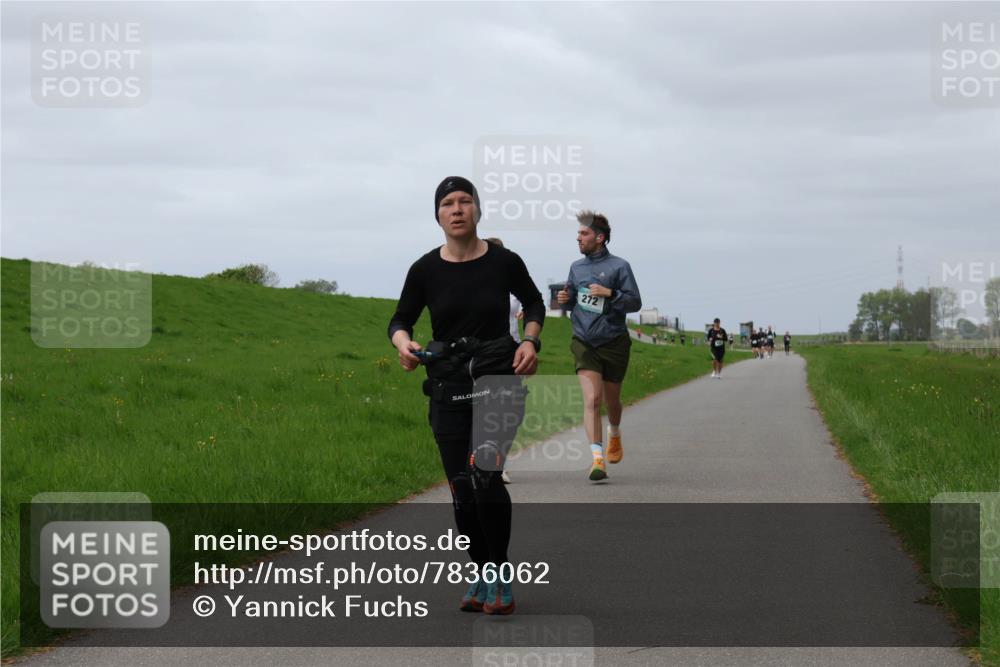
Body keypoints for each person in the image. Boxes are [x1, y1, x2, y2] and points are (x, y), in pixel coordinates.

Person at [388, 177, 545, 615]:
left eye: (464, 201)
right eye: (447, 203)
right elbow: (400, 319)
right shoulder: (424, 269)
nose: (457, 209)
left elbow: (534, 303)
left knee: (485, 474)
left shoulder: (504, 261)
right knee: (461, 487)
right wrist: (404, 345)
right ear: (437, 215)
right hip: (448, 382)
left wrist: (530, 341)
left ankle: (500, 574)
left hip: (498, 376)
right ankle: (482, 569)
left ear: (477, 209)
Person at [556, 210, 641, 481]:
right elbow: (574, 300)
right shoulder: (576, 267)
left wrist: (610, 293)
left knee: (612, 401)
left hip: (614, 341)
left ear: (600, 238)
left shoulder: (620, 266)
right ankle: (597, 459)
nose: (578, 238)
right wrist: (565, 299)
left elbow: (635, 302)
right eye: (578, 233)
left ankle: (614, 432)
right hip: (584, 341)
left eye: (584, 233)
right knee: (592, 399)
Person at [485, 237, 519, 485]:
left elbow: (532, 301)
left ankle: (500, 462)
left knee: (509, 412)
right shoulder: (478, 284)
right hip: (485, 354)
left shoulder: (513, 282)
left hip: (513, 353)